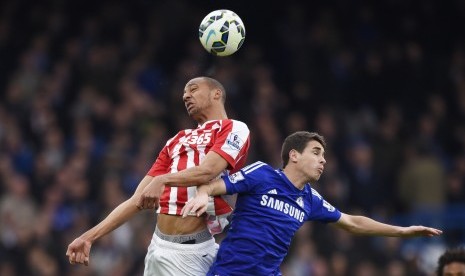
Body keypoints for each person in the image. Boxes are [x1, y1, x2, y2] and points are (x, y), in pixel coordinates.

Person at [182, 131, 443, 276]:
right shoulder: (262, 174)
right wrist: (204, 194)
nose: (323, 160)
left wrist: (402, 231)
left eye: (324, 155)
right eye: (316, 153)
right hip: (230, 273)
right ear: (294, 155)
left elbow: (351, 222)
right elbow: (214, 184)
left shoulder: (310, 198)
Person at [66, 76, 251, 275]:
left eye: (193, 89)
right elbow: (137, 199)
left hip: (191, 253)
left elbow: (208, 171)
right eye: (184, 93)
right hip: (157, 247)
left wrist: (162, 179)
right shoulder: (177, 140)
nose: (186, 96)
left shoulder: (234, 128)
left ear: (217, 93)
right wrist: (88, 237)